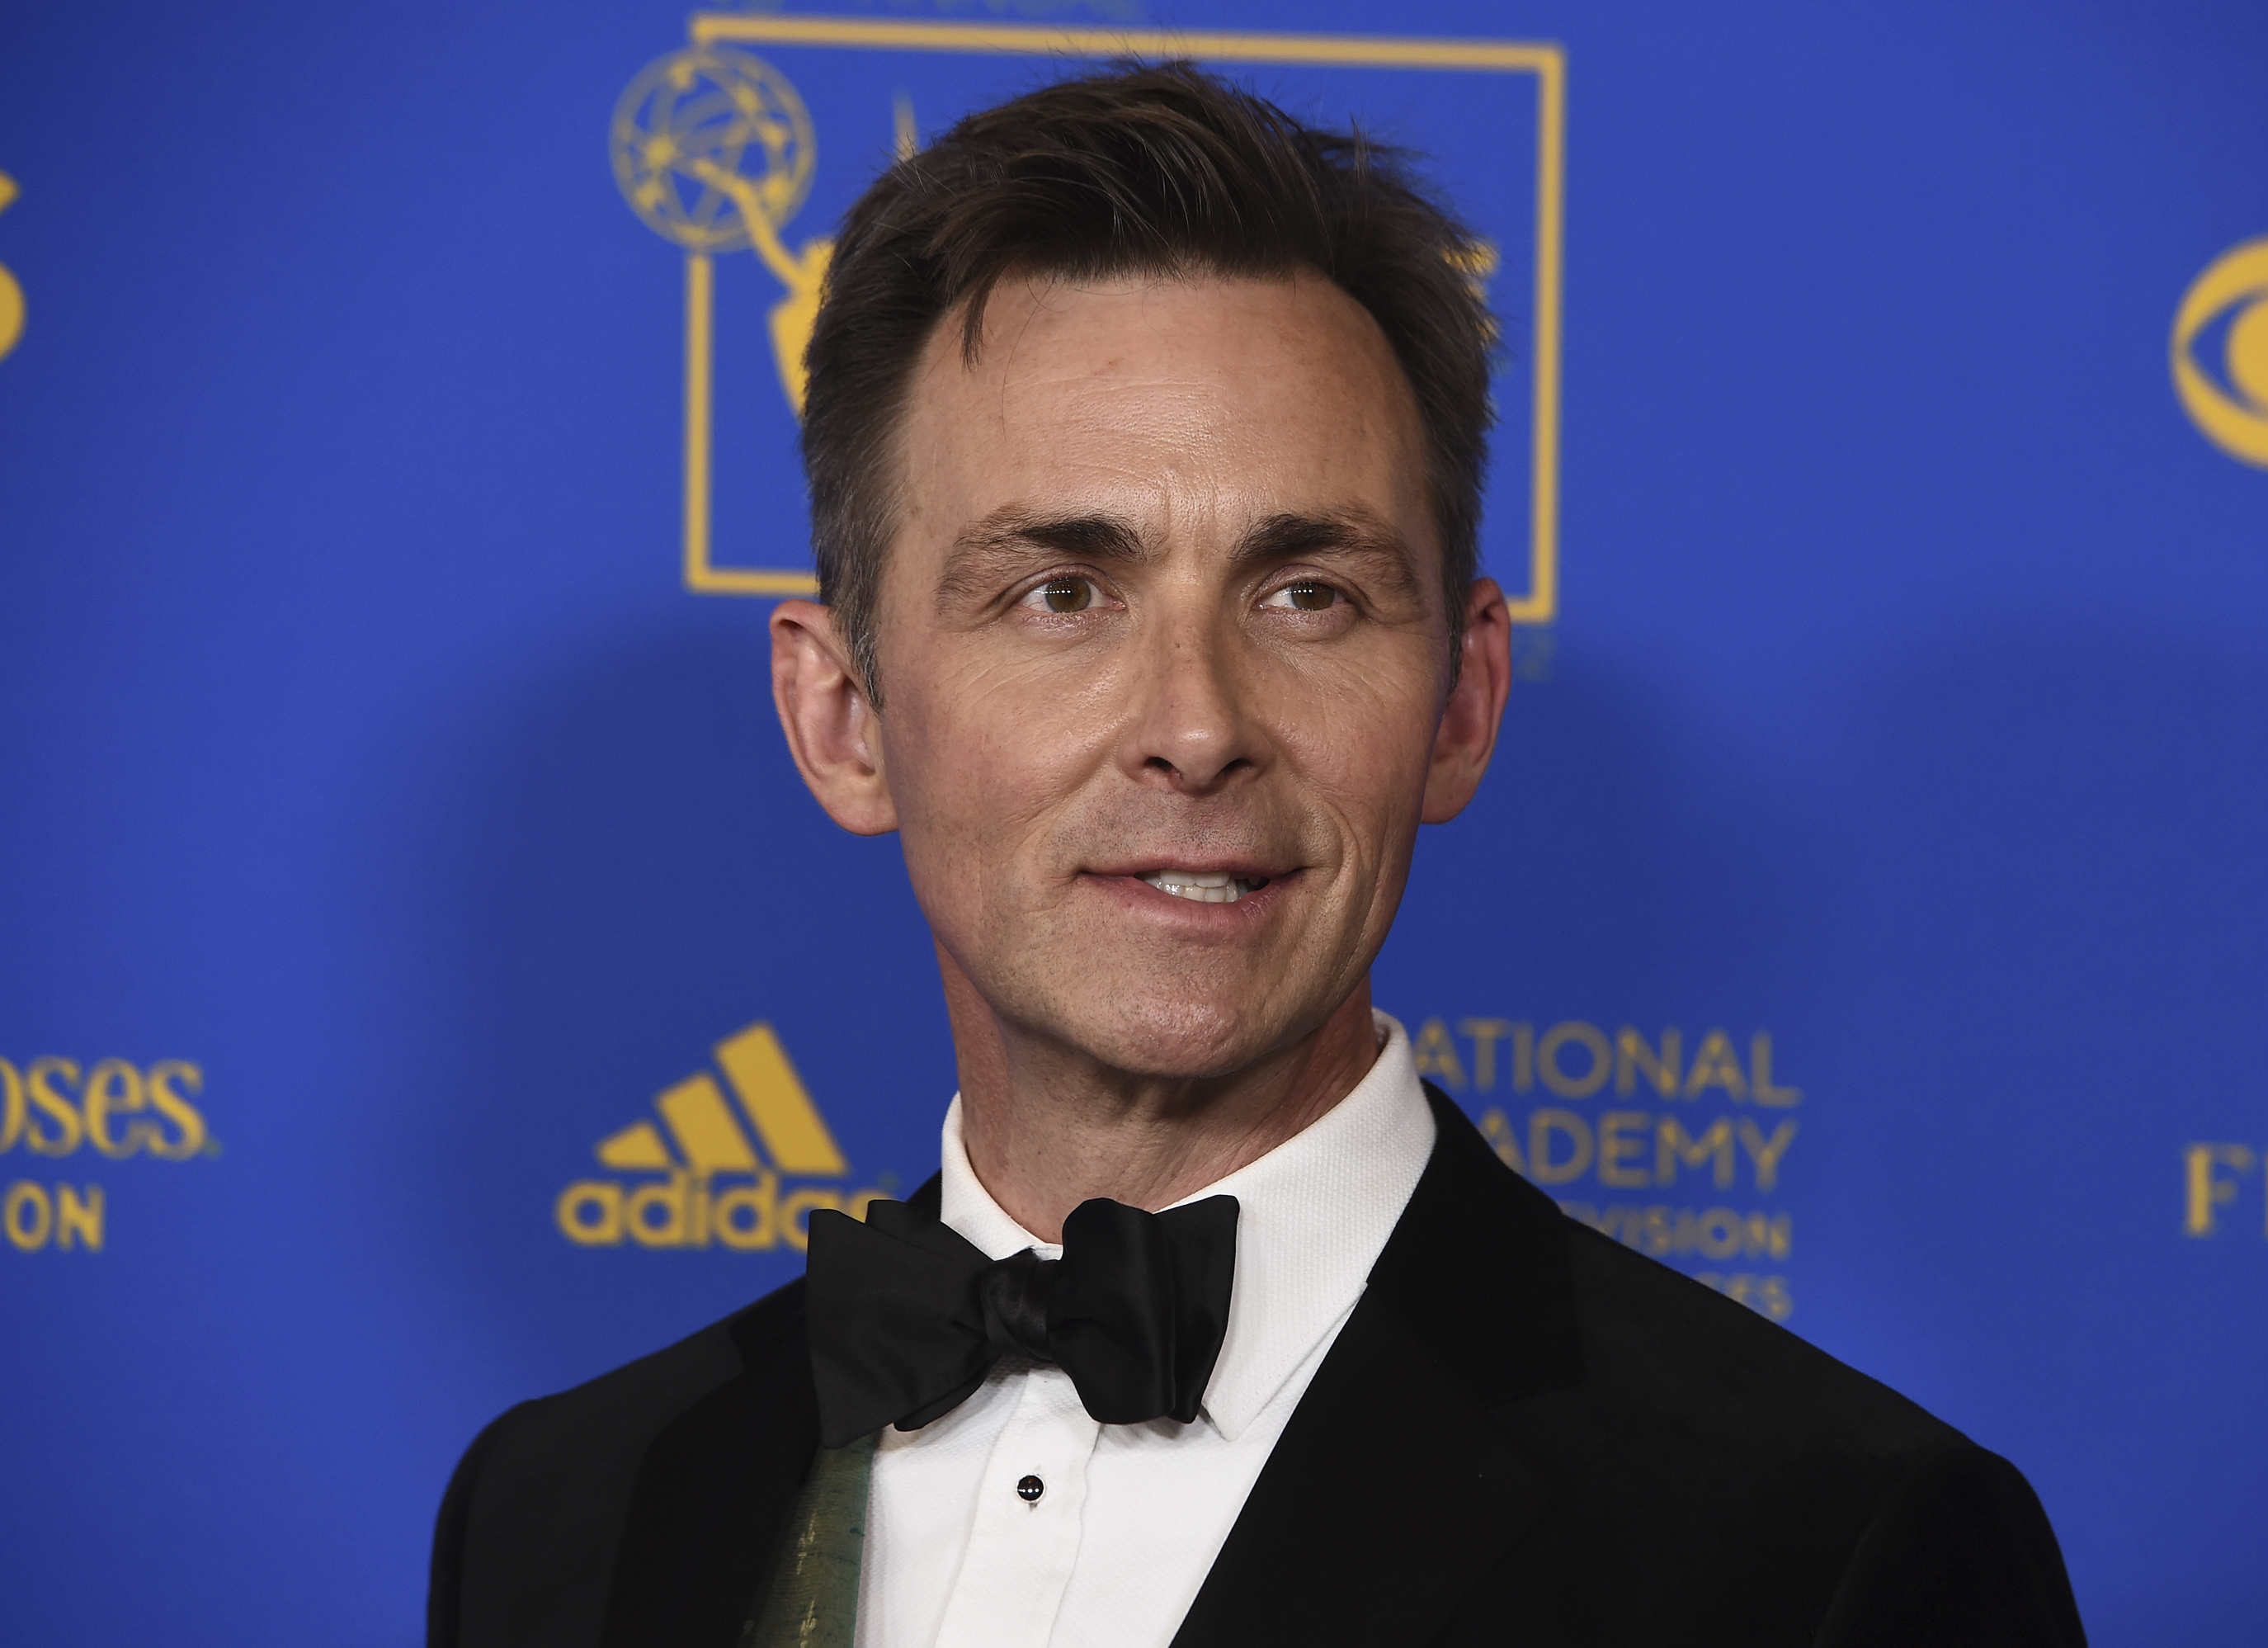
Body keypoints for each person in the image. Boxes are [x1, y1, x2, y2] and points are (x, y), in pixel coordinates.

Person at [428, 63, 2084, 1648]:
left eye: (1308, 595)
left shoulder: (1831, 1554)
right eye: (1061, 594)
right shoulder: (558, 1512)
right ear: (844, 717)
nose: (1197, 725)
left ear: (1461, 702)